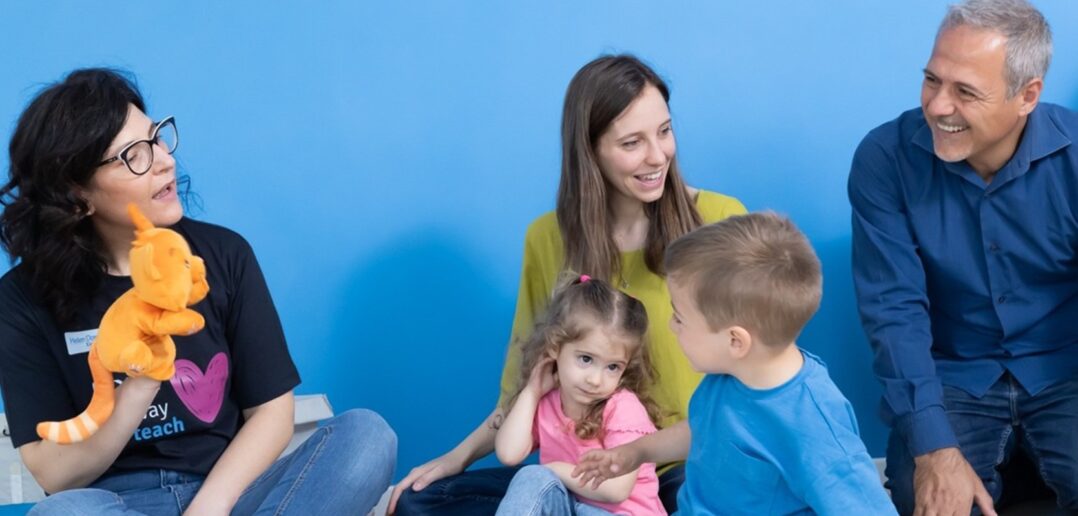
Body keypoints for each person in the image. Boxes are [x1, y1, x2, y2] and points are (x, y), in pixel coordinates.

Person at [0, 68, 396, 515]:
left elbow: (271, 413)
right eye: (133, 155)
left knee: (367, 437)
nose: (164, 161)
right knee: (63, 513)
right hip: (116, 503)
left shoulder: (222, 255)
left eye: (156, 138)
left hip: (231, 494)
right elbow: (54, 475)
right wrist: (142, 379)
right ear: (77, 195)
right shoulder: (21, 299)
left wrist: (211, 506)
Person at [390, 54, 746, 515]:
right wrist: (456, 458)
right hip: (577, 474)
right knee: (422, 501)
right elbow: (525, 385)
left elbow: (757, 371)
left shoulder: (720, 220)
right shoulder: (546, 238)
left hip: (684, 468)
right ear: (590, 150)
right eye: (632, 143)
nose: (658, 156)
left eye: (664, 131)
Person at [848, 0, 1078, 514]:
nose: (937, 106)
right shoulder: (884, 159)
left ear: (1027, 96)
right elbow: (893, 312)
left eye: (965, 92)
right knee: (930, 500)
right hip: (951, 377)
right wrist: (933, 447)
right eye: (932, 80)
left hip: (1065, 367)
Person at [572, 212, 895, 514]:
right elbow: (704, 430)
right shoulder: (729, 373)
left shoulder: (812, 425)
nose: (671, 326)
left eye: (680, 318)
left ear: (735, 341)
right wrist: (636, 452)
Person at [494, 275, 665, 515]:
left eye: (612, 367)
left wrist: (553, 469)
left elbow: (616, 490)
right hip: (572, 508)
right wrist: (532, 392)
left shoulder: (623, 407)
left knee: (539, 475)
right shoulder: (548, 402)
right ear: (555, 347)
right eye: (586, 359)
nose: (595, 380)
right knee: (531, 477)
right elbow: (508, 453)